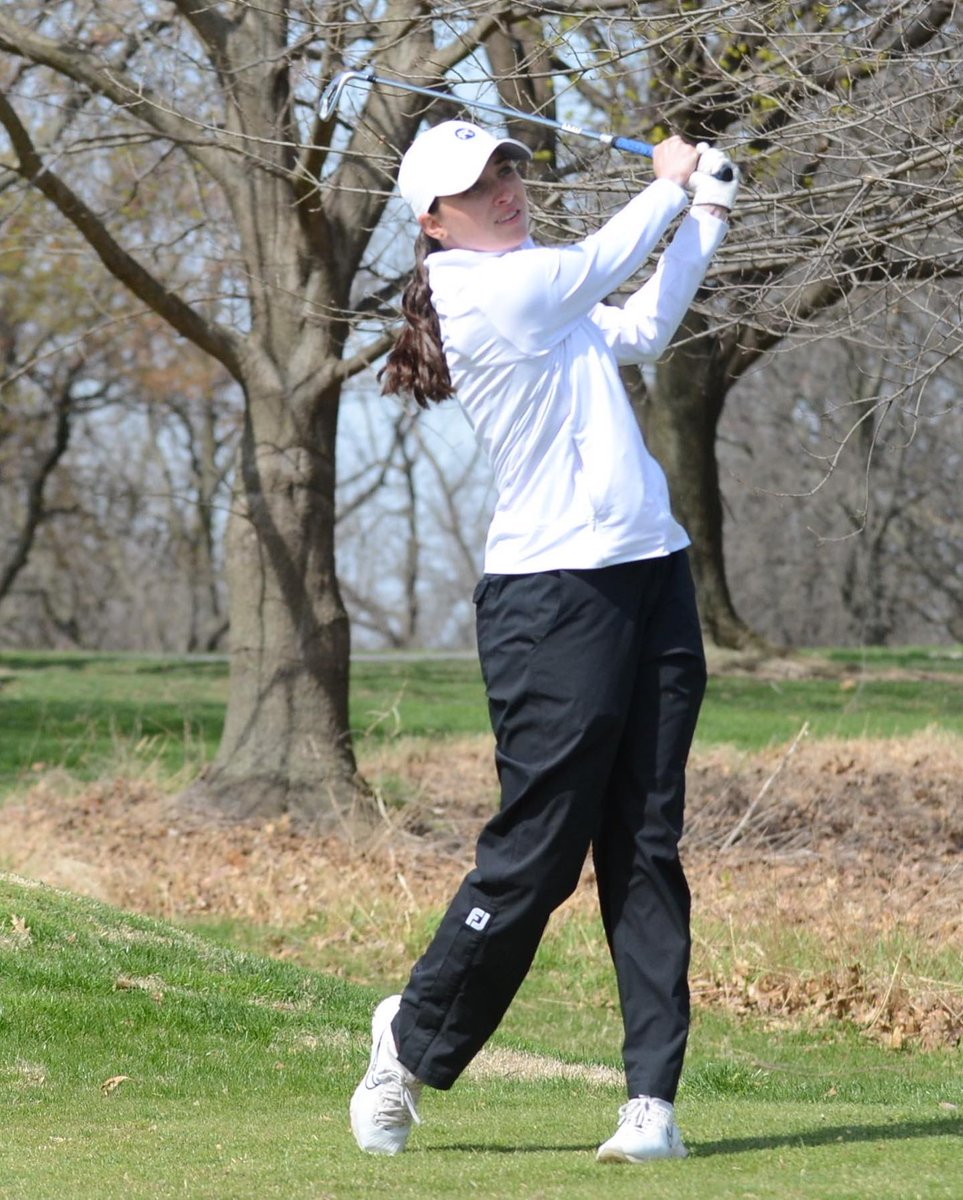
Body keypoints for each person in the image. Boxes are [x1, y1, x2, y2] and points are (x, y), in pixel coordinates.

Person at [350, 118, 739, 1163]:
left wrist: (709, 212)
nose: (507, 190)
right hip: (550, 601)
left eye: (510, 171)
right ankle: (412, 1036)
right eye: (480, 187)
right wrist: (669, 187)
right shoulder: (481, 292)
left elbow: (647, 327)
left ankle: (651, 1102)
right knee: (538, 853)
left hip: (652, 573)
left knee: (647, 845)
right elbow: (607, 259)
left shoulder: (544, 289)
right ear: (432, 223)